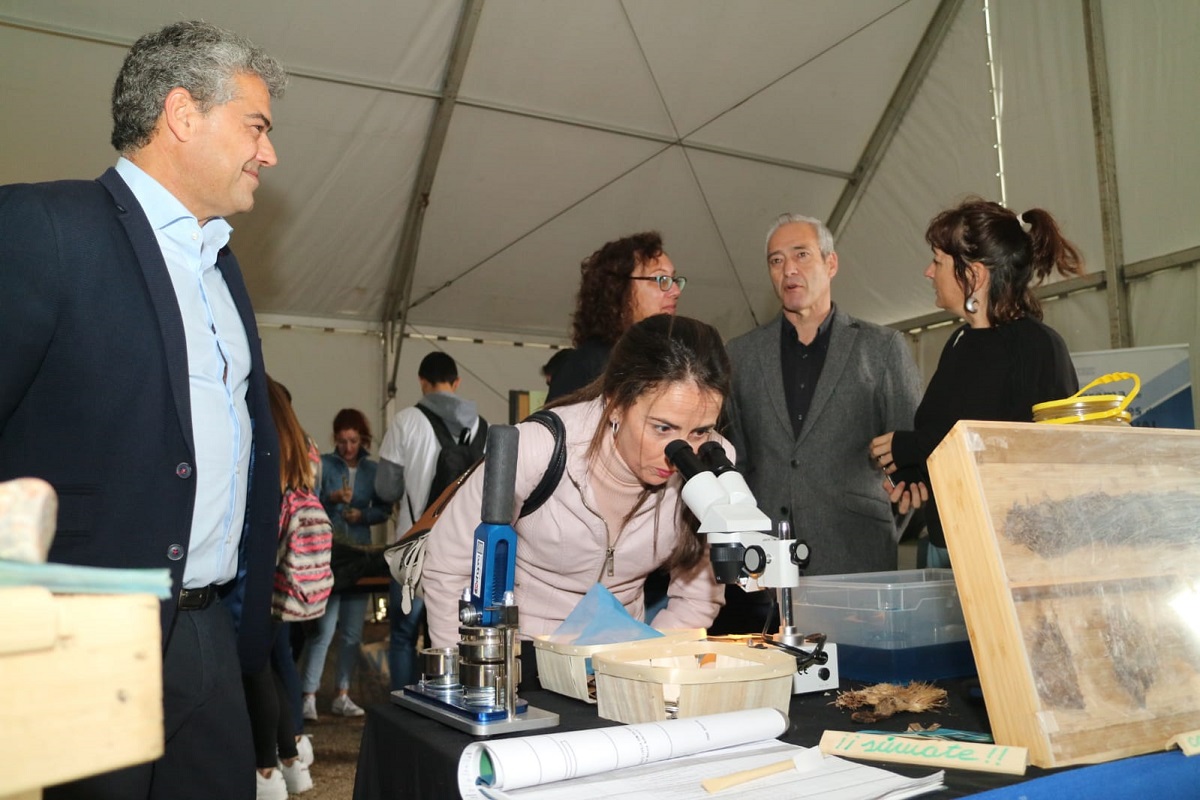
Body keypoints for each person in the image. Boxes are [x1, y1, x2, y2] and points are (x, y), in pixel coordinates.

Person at [0, 21, 285, 799]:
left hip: (206, 627)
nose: (269, 153)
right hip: (86, 626)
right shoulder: (45, 227)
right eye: (256, 126)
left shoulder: (221, 267)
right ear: (183, 114)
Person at [423, 314, 729, 652]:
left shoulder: (712, 466)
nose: (680, 451)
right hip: (521, 658)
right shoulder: (538, 449)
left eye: (700, 431)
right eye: (662, 428)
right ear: (615, 403)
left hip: (619, 659)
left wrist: (649, 664)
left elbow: (698, 595)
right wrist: (468, 677)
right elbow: (448, 568)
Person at [722, 213, 923, 630]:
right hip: (765, 569)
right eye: (776, 261)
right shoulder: (741, 355)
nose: (789, 269)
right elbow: (735, 459)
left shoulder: (882, 347)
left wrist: (874, 520)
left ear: (831, 264)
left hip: (857, 558)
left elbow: (910, 459)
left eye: (801, 255)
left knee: (859, 691)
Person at [870, 199, 1083, 567]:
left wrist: (915, 447)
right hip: (949, 544)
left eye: (938, 261)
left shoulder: (1037, 347)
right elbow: (946, 430)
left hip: (1010, 556)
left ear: (975, 276)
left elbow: (1031, 453)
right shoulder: (958, 342)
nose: (928, 272)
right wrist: (914, 473)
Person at [375, 352, 486, 690]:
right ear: (457, 382)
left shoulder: (405, 421)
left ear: (422, 382)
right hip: (466, 557)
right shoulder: (484, 427)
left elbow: (385, 488)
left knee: (403, 638)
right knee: (453, 638)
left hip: (415, 553)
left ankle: (406, 709)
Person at [243, 378, 321, 799]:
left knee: (257, 671)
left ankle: (266, 773)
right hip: (291, 578)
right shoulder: (302, 446)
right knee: (272, 668)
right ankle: (291, 761)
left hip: (261, 574)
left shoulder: (265, 445)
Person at [298, 409, 390, 718]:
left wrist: (362, 515)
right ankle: (308, 695)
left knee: (352, 633)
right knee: (323, 631)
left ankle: (343, 693)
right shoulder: (323, 464)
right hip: (331, 555)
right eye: (341, 441)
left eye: (352, 441)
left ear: (362, 440)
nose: (347, 448)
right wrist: (332, 500)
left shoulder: (373, 470)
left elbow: (383, 509)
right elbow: (309, 503)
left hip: (360, 556)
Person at [546, 231, 685, 401]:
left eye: (673, 279)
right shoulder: (586, 365)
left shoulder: (669, 362)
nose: (676, 291)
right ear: (619, 289)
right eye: (661, 279)